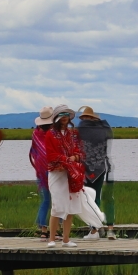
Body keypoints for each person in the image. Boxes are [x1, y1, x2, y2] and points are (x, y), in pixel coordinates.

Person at [42, 105, 87, 246]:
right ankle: (52, 239)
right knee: (57, 205)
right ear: (57, 117)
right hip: (57, 173)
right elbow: (50, 154)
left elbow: (80, 151)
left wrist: (75, 158)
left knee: (71, 206)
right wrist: (66, 159)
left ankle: (66, 239)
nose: (64, 117)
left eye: (66, 114)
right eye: (61, 115)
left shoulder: (73, 134)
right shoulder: (50, 134)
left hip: (71, 173)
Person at [76, 105, 114, 238]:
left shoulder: (80, 129)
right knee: (96, 196)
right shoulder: (103, 129)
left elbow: (75, 147)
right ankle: (99, 228)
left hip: (85, 168)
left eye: (85, 117)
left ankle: (94, 229)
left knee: (88, 199)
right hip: (100, 167)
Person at [28, 106, 54, 238]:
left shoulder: (35, 134)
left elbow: (34, 152)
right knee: (56, 201)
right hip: (53, 171)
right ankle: (56, 230)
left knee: (45, 200)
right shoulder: (53, 134)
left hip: (40, 171)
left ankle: (43, 230)